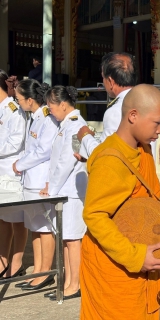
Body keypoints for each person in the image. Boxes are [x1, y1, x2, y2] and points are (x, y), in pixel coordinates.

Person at [80, 84, 160, 319]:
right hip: (114, 263)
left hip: (139, 256)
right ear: (133, 115)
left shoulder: (143, 150)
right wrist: (135, 256)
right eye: (157, 122)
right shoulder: (110, 160)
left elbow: (146, 199)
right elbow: (94, 215)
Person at [38, 85, 88, 300]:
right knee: (67, 239)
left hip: (72, 192)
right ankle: (68, 281)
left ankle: (74, 284)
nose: (50, 111)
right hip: (65, 189)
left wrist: (52, 189)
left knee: (73, 239)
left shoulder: (75, 124)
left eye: (51, 107)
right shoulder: (66, 124)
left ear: (63, 105)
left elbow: (66, 162)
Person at [11, 80, 59, 291]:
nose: (18, 103)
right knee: (35, 228)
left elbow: (44, 152)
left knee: (46, 228)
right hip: (30, 180)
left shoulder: (48, 119)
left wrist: (19, 164)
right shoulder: (35, 117)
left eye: (20, 99)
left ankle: (45, 273)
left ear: (30, 100)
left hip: (41, 181)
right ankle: (38, 271)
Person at [76, 52, 137, 159]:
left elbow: (105, 154)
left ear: (110, 81)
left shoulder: (117, 110)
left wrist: (85, 137)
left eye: (103, 78)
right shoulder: (145, 101)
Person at [0, 72, 27, 279]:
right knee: (2, 220)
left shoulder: (14, 110)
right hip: (1, 172)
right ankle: (3, 262)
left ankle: (16, 264)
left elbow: (16, 141)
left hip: (11, 171)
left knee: (17, 220)